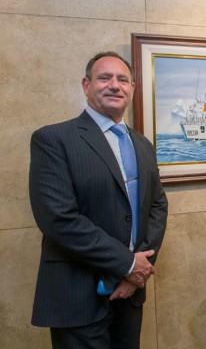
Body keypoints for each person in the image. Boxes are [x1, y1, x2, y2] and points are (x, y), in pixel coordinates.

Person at [29, 51, 168, 348]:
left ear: (132, 88)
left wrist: (136, 272)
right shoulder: (54, 139)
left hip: (129, 294)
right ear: (86, 85)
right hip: (78, 294)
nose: (114, 85)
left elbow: (157, 206)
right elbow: (59, 219)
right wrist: (128, 264)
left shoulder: (142, 144)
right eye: (104, 78)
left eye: (122, 79)